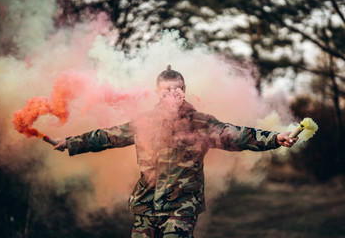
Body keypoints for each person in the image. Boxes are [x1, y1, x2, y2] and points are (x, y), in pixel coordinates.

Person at [54, 65, 297, 238]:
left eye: (177, 90)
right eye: (166, 91)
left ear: (184, 91)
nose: (172, 95)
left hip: (181, 209)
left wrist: (275, 138)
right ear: (157, 93)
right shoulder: (144, 121)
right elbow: (108, 136)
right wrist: (71, 142)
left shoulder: (201, 123)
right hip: (145, 207)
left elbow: (237, 135)